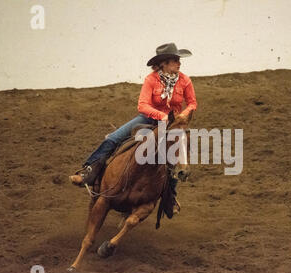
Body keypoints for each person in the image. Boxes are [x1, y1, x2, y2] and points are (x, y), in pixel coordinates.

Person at [69, 43, 197, 210]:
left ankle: (170, 197)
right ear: (163, 63)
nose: (179, 63)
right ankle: (88, 172)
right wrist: (161, 116)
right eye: (174, 60)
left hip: (172, 124)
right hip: (148, 119)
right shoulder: (151, 80)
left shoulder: (185, 80)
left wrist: (183, 115)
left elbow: (192, 103)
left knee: (175, 156)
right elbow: (143, 105)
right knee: (113, 139)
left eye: (179, 60)